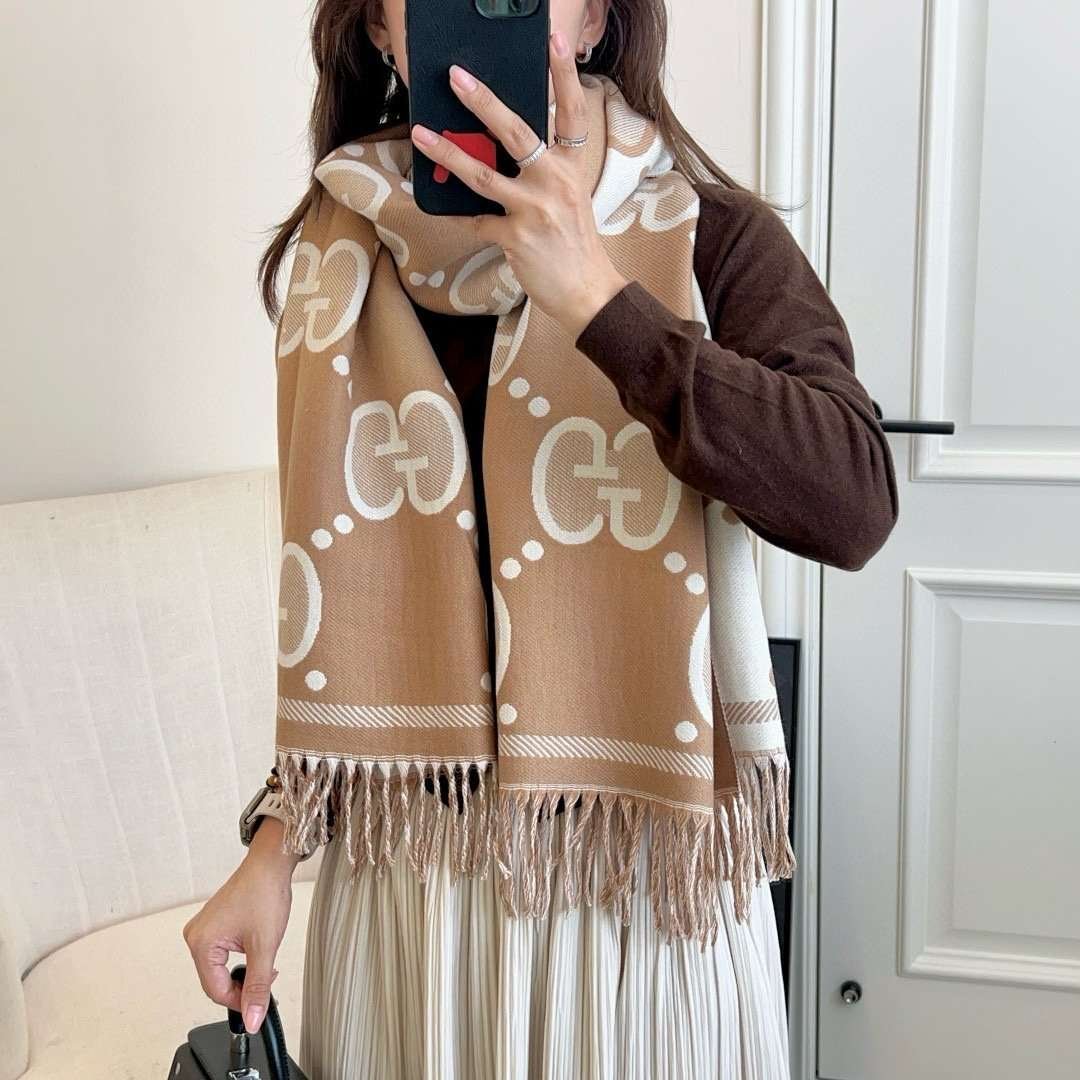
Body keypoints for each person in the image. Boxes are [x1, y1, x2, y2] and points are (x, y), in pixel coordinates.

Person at [182, 1, 898, 1077]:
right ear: (380, 31)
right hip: (409, 897)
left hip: (639, 897)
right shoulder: (344, 240)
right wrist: (274, 851)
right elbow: (348, 607)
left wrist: (603, 300)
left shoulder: (709, 233)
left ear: (597, 17)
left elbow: (852, 503)